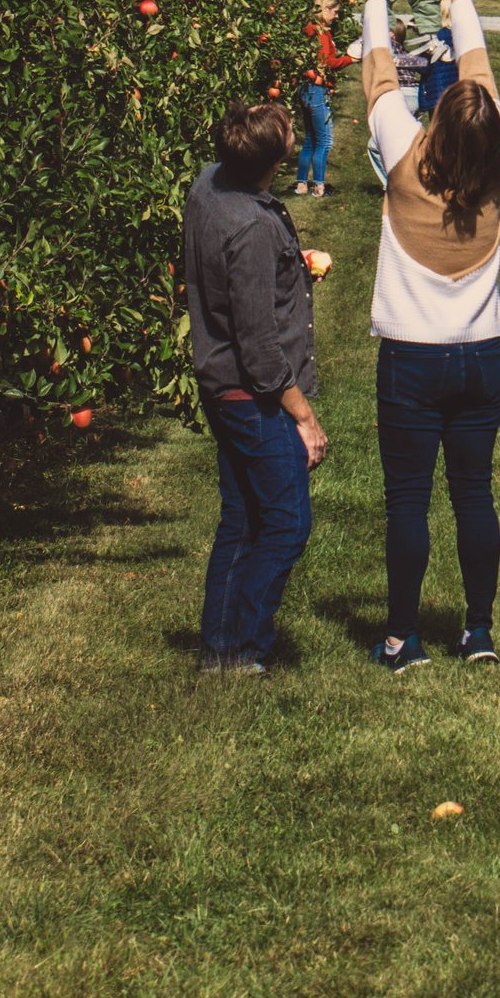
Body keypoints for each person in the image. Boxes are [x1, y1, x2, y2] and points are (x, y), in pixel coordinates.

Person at [358, 0, 500, 673]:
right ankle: (478, 630)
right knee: (474, 497)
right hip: (480, 359)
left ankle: (401, 636)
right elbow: (479, 67)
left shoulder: (401, 153)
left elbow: (380, 67)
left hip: (412, 363)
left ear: (436, 124)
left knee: (408, 502)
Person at [180, 94, 327, 672]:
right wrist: (304, 418)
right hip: (252, 396)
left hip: (218, 382)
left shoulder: (208, 185)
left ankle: (217, 647)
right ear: (274, 162)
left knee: (240, 517)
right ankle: (245, 644)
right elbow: (261, 351)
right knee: (287, 522)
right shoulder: (251, 230)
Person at [294, 0, 342, 202]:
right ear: (325, 8)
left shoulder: (309, 29)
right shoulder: (321, 33)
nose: (337, 16)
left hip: (305, 88)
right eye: (335, 11)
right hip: (316, 90)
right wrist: (350, 59)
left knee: (310, 140)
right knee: (324, 140)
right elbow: (327, 63)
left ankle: (302, 184)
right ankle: (319, 187)